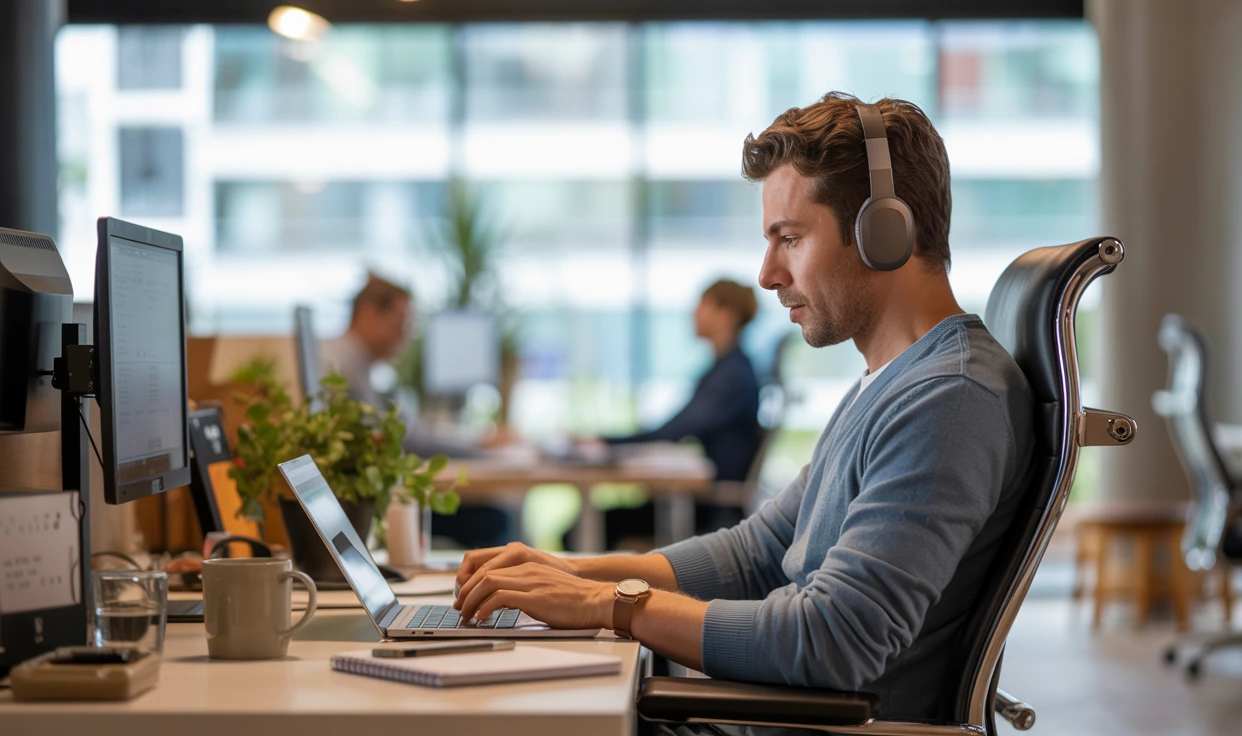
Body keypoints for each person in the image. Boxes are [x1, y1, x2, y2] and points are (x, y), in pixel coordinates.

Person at [451, 93, 1035, 726]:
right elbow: (756, 553)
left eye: (790, 238)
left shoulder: (949, 399)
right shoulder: (889, 383)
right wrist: (564, 573)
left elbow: (835, 638)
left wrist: (608, 602)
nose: (766, 274)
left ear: (884, 233)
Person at [322, 273, 511, 549]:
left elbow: (407, 432)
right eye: (402, 323)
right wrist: (480, 443)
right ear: (370, 313)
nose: (406, 335)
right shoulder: (344, 367)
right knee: (495, 519)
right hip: (365, 504)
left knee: (492, 513)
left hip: (370, 496)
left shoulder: (360, 367)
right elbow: (410, 438)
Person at [601, 279, 762, 547]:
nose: (694, 314)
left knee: (595, 525)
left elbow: (675, 431)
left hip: (709, 506)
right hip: (700, 499)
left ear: (727, 314)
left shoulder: (731, 377)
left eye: (703, 306)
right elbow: (679, 428)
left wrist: (605, 443)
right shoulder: (725, 370)